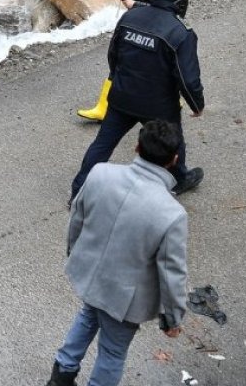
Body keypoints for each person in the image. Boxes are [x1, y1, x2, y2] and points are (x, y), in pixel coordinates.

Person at [45, 120, 189, 386]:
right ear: (174, 159)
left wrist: (75, 255)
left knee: (88, 316)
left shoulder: (100, 173)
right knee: (112, 352)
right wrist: (172, 317)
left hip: (92, 275)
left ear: (136, 146)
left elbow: (77, 218)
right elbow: (172, 273)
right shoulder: (172, 214)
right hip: (124, 299)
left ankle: (61, 376)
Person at [69, 0, 204, 202]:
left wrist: (119, 78)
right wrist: (196, 104)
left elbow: (113, 55)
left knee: (103, 144)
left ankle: (79, 190)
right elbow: (187, 77)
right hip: (158, 104)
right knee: (173, 138)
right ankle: (179, 178)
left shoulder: (129, 18)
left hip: (122, 96)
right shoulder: (180, 32)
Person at [78, 0, 194, 122]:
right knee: (133, 60)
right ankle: (106, 106)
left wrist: (135, 6)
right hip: (147, 20)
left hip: (158, 29)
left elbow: (174, 13)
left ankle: (109, 108)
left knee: (136, 60)